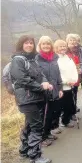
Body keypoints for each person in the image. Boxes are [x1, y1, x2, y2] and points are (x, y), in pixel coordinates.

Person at [10, 35, 52, 163]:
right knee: (37, 126)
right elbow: (22, 79)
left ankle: (24, 150)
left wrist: (45, 82)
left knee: (29, 125)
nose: (29, 45)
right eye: (26, 43)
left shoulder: (33, 60)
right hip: (27, 98)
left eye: (31, 43)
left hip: (35, 97)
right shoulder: (18, 60)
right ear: (21, 45)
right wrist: (40, 86)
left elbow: (42, 75)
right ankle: (35, 156)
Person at [36, 36, 63, 145]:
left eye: (48, 44)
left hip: (55, 89)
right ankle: (42, 137)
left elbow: (58, 74)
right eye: (44, 44)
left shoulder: (55, 57)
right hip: (44, 91)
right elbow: (38, 76)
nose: (46, 46)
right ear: (40, 46)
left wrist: (60, 88)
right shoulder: (37, 59)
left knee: (52, 113)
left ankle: (48, 133)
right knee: (44, 115)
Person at [54, 39, 79, 128]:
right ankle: (61, 122)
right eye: (60, 46)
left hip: (70, 86)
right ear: (56, 48)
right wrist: (65, 82)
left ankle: (66, 120)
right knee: (62, 106)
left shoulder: (68, 58)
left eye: (64, 46)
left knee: (69, 104)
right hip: (61, 87)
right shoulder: (55, 59)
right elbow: (57, 73)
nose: (63, 48)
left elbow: (73, 69)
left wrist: (74, 80)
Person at [66, 34, 82, 121]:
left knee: (75, 94)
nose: (73, 42)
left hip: (77, 76)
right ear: (67, 42)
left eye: (74, 41)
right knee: (68, 95)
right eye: (71, 40)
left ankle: (73, 112)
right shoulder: (65, 51)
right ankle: (68, 113)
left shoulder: (79, 50)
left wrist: (81, 69)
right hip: (67, 78)